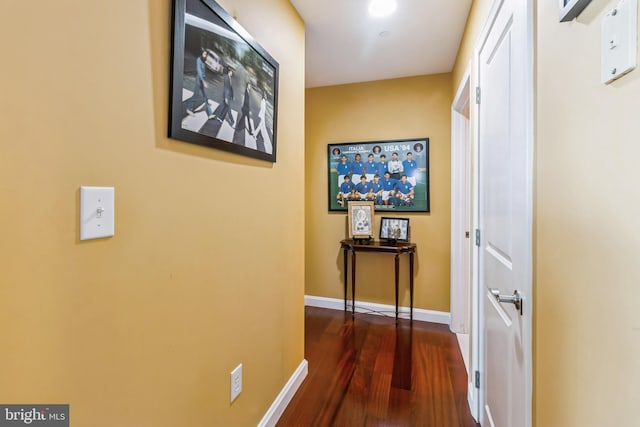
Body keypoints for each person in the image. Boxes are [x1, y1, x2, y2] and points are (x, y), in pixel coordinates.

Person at [186, 50, 214, 119]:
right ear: (202, 53)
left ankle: (210, 114)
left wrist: (204, 80)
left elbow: (204, 72)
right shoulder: (199, 59)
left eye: (206, 55)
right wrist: (203, 81)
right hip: (199, 80)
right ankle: (189, 109)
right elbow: (199, 71)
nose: (205, 55)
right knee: (195, 95)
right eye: (204, 54)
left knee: (205, 97)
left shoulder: (204, 61)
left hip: (202, 80)